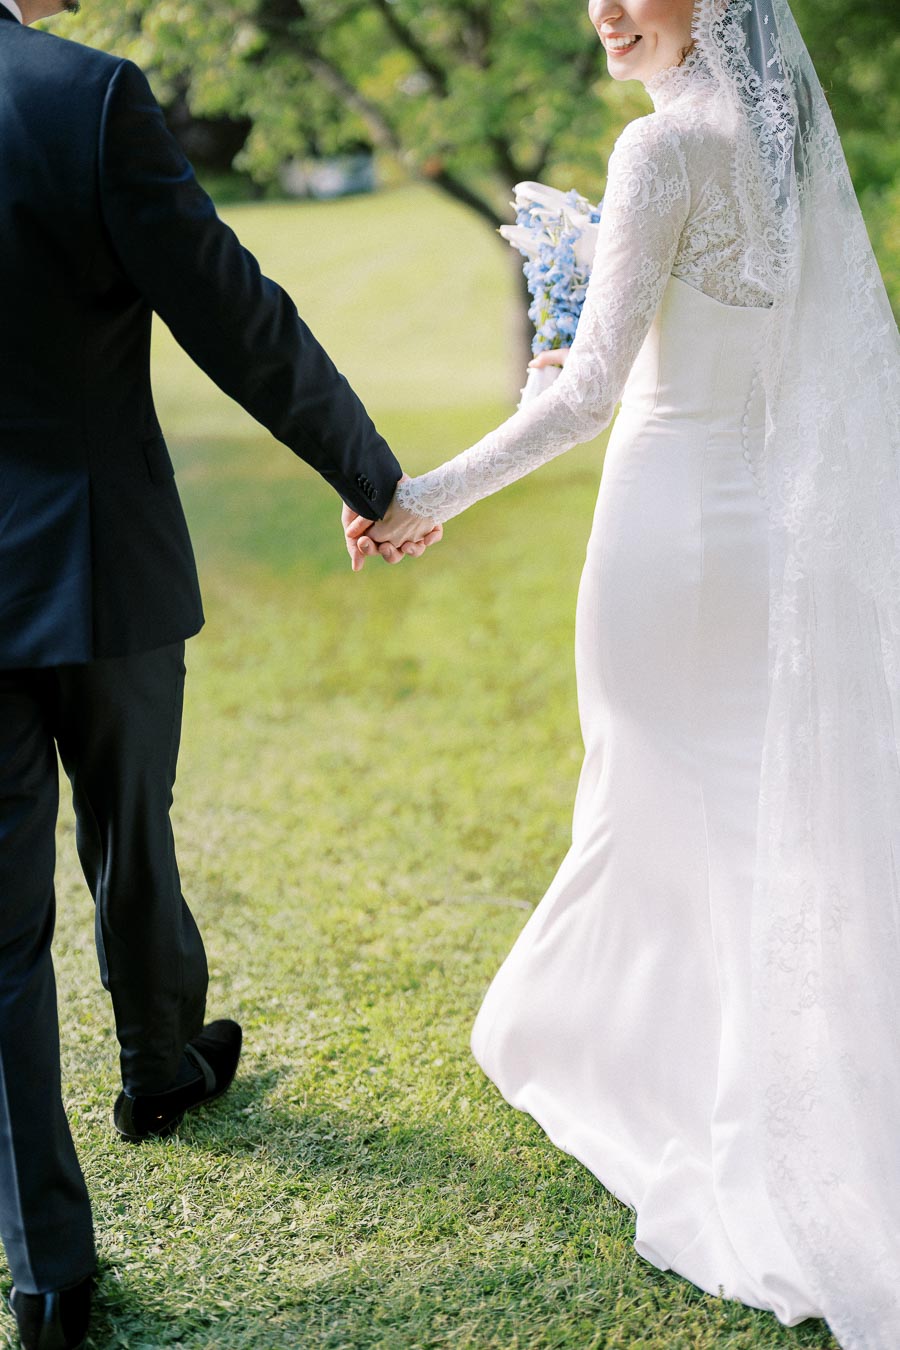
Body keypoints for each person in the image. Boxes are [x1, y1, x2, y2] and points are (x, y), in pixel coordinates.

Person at [346, 0, 900, 1345]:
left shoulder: (658, 154)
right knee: (722, 818)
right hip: (759, 535)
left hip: (662, 538)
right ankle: (722, 1050)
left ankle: (710, 1092)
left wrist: (419, 490)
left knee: (663, 807)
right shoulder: (773, 145)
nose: (604, 9)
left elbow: (593, 397)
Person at [0, 1, 441, 1346]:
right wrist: (371, 471)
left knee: (1, 938)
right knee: (133, 825)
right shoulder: (86, 95)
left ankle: (47, 1273)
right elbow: (231, 310)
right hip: (102, 564)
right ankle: (157, 1071)